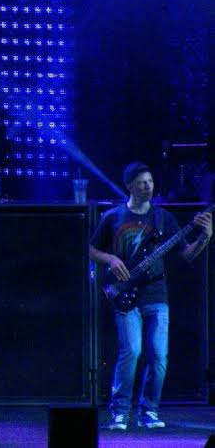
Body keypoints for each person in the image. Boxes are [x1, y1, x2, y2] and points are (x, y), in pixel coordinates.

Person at [89, 161, 212, 431]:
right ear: (129, 185)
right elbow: (91, 250)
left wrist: (205, 237)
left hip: (157, 295)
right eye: (142, 182)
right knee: (131, 351)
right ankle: (120, 412)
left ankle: (149, 411)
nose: (148, 187)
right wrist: (111, 259)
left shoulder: (164, 218)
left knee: (158, 356)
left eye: (151, 181)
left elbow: (187, 255)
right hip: (124, 294)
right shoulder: (113, 216)